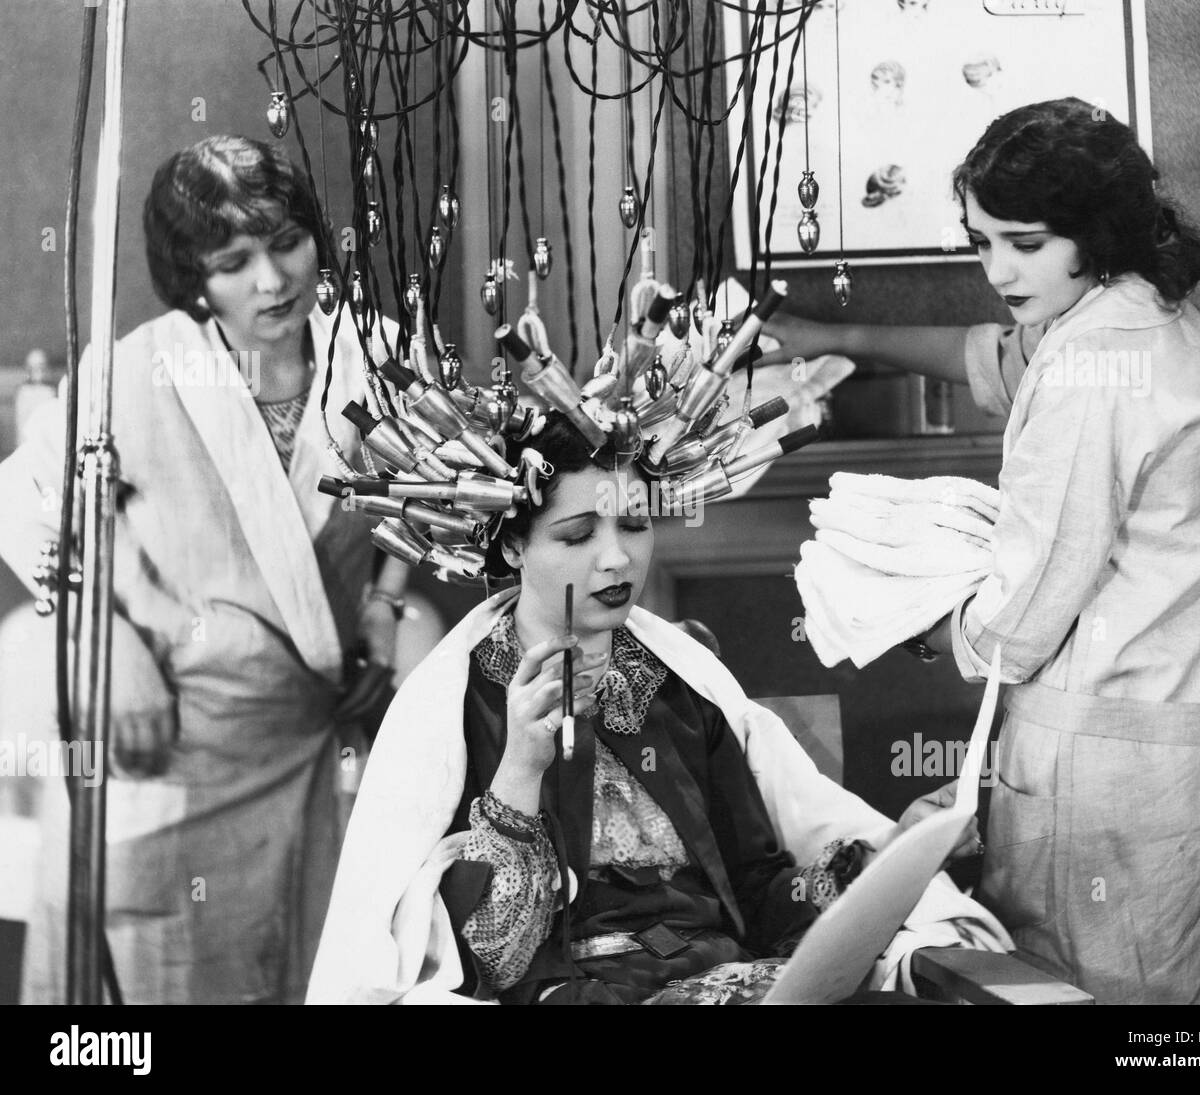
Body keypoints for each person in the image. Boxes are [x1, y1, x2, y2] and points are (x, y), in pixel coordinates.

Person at [766, 98, 1200, 1004]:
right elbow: (999, 358)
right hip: (1182, 758)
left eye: (1024, 242)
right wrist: (833, 336)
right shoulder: (1145, 314)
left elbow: (1013, 627)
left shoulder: (1092, 364)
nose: (997, 270)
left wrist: (911, 618)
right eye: (980, 242)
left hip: (1109, 782)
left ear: (1093, 232)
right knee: (1194, 1037)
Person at [307, 415, 1011, 1005]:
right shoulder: (462, 702)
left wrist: (878, 865)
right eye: (578, 534)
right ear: (513, 543)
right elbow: (495, 963)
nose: (617, 559)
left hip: (727, 977)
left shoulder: (680, 685)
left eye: (635, 525)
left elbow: (758, 890)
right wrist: (522, 766)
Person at [0, 135, 408, 1003]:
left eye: (288, 242)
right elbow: (23, 503)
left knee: (315, 972)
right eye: (235, 261)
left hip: (312, 742)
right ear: (194, 278)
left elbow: (416, 493)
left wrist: (385, 603)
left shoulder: (371, 353)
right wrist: (107, 639)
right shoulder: (135, 372)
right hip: (173, 750)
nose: (273, 279)